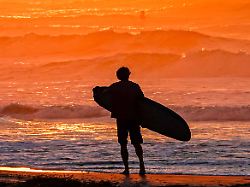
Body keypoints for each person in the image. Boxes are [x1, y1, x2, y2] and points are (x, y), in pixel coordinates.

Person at [109, 67, 146, 175]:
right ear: (129, 74)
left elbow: (104, 94)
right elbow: (143, 102)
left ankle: (126, 169)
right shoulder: (135, 87)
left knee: (123, 144)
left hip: (121, 119)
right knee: (136, 143)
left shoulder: (115, 87)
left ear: (118, 76)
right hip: (134, 118)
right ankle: (142, 166)